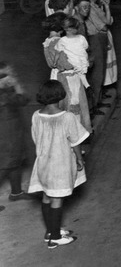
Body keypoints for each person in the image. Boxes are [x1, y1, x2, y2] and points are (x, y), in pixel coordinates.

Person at [28, 80, 88, 248]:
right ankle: (54, 237)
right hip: (59, 164)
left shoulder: (36, 116)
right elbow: (75, 141)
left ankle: (50, 229)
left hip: (42, 164)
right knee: (57, 199)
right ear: (60, 97)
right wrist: (79, 159)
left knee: (46, 196)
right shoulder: (67, 117)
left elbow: (35, 138)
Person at [43, 13, 91, 132]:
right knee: (73, 103)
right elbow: (65, 63)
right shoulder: (60, 41)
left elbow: (52, 63)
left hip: (57, 75)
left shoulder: (48, 41)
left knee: (62, 104)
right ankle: (76, 134)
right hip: (69, 76)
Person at [0, 62, 36, 203]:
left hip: (12, 128)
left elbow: (23, 100)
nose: (10, 76)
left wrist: (14, 84)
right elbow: (19, 100)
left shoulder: (7, 88)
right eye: (5, 74)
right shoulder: (3, 91)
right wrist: (13, 84)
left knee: (15, 159)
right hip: (4, 130)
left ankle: (16, 193)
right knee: (5, 163)